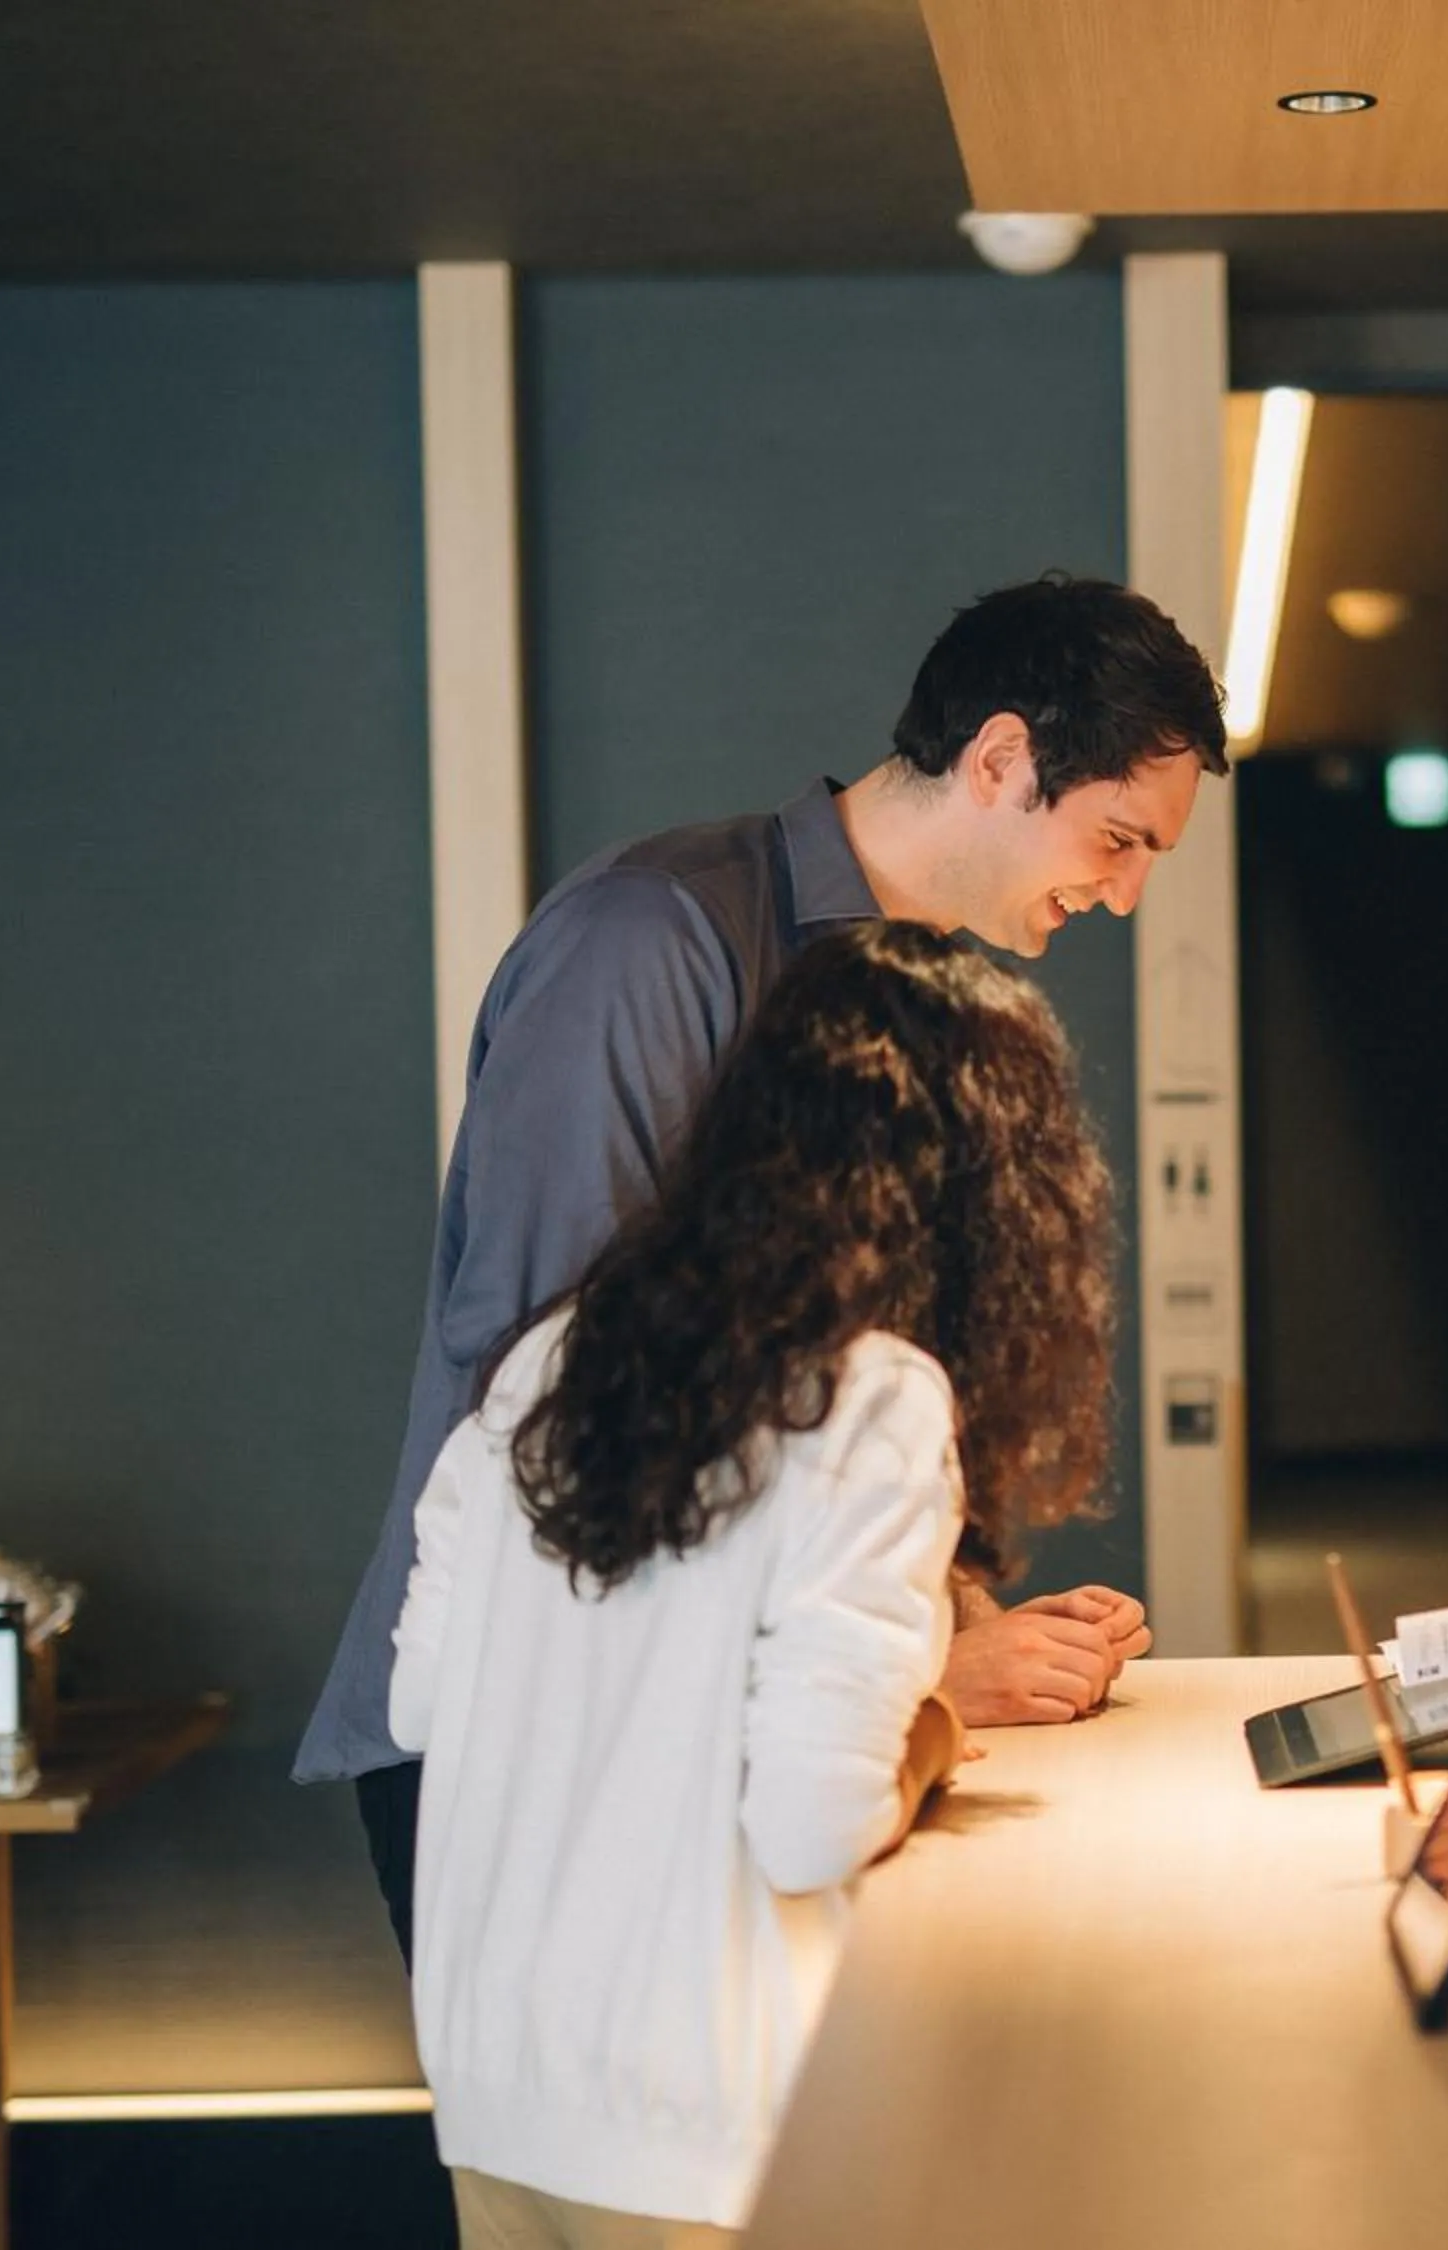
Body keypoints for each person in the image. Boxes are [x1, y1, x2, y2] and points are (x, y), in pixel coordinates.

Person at [299, 575, 1227, 1961]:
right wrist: (912, 1673)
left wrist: (928, 1616)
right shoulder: (650, 939)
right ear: (1000, 758)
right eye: (1118, 837)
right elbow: (563, 1403)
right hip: (533, 1737)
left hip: (713, 1740)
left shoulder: (915, 999)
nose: (1128, 893)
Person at [390, 921, 1116, 2246]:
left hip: (500, 2086)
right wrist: (936, 1726)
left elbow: (428, 1705)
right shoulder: (873, 1396)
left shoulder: (545, 1360)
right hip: (704, 2118)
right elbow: (811, 1823)